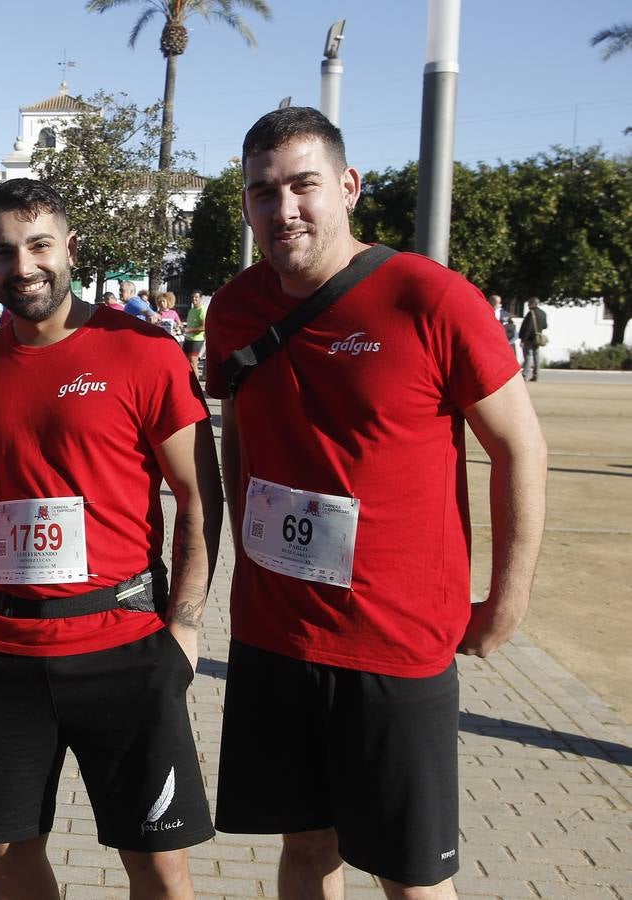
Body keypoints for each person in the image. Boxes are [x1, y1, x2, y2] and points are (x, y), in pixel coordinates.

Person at [205, 106, 547, 900]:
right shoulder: (234, 310)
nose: (283, 208)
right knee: (305, 848)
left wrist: (508, 596)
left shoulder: (430, 299)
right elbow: (238, 433)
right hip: (275, 632)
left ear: (348, 187)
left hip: (395, 640)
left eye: (303, 185)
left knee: (411, 877)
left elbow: (519, 447)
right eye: (262, 191)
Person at [0, 178, 222, 897]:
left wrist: (186, 627)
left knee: (160, 865)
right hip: (3, 655)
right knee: (8, 856)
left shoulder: (143, 353)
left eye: (39, 245)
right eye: (4, 252)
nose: (24, 265)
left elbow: (198, 496)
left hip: (124, 649)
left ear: (69, 249)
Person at [518, 297, 548, 382]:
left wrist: (523, 340)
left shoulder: (531, 313)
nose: (528, 305)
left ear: (533, 304)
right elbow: (545, 326)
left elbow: (527, 328)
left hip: (529, 338)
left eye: (529, 303)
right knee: (536, 357)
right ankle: (536, 375)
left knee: (528, 357)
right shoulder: (543, 313)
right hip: (537, 338)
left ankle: (524, 375)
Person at [182, 291, 206, 379]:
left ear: (200, 298)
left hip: (197, 340)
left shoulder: (202, 310)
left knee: (193, 363)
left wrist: (189, 329)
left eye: (196, 297)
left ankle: (197, 387)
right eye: (192, 297)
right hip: (188, 338)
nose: (194, 299)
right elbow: (189, 325)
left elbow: (204, 327)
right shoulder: (191, 310)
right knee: (185, 362)